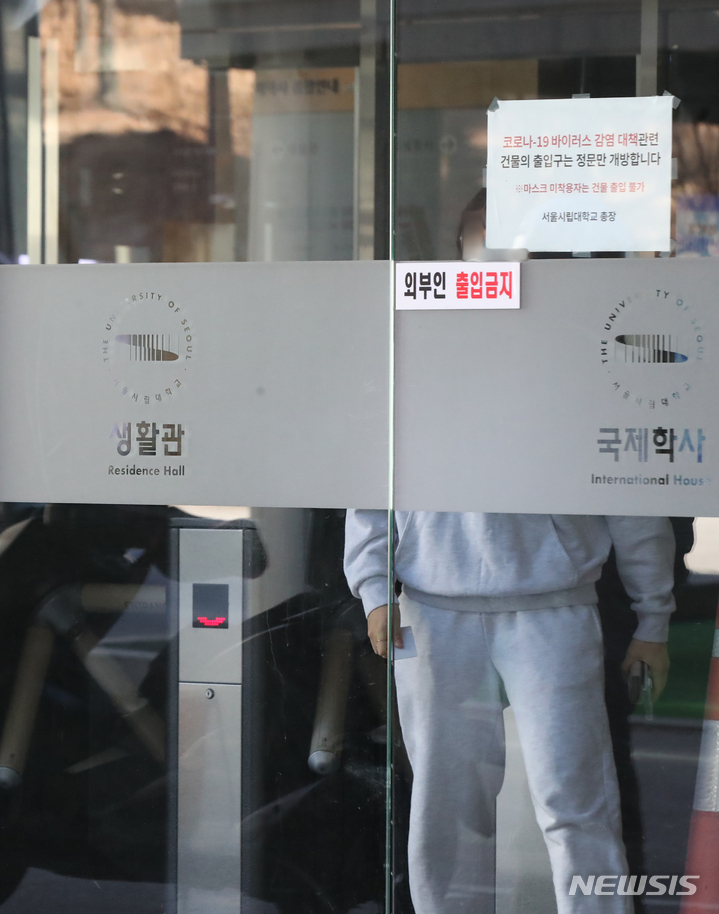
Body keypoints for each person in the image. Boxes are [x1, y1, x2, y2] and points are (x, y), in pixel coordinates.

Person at [344, 511, 675, 914]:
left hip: (552, 602)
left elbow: (627, 499)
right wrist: (374, 589)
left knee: (574, 797)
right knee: (445, 803)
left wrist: (653, 618)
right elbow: (373, 494)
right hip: (436, 606)